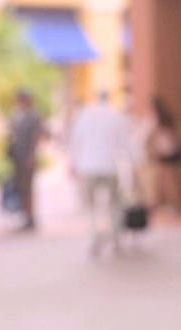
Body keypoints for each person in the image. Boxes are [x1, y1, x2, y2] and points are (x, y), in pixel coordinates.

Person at [67, 90, 131, 257]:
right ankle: (115, 239)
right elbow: (124, 145)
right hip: (110, 166)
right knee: (114, 205)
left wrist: (72, 163)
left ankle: (94, 236)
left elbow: (74, 142)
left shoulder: (84, 117)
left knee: (90, 206)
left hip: (88, 166)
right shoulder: (116, 117)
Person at [6, 89, 45, 231]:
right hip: (16, 157)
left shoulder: (33, 117)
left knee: (28, 188)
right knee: (20, 187)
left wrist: (32, 156)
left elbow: (37, 136)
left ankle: (30, 216)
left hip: (27, 157)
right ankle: (24, 215)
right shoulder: (15, 116)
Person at [148, 98, 181, 211]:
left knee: (167, 180)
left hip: (166, 153)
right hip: (171, 152)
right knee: (166, 179)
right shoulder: (168, 120)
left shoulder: (157, 122)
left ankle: (173, 202)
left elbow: (154, 137)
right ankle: (167, 201)